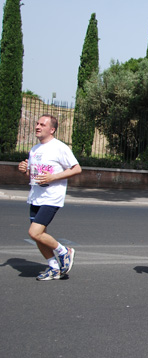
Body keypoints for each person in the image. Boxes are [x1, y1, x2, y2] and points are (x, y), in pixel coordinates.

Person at [17, 114, 82, 281]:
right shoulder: (34, 150)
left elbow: (76, 169)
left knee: (34, 232)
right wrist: (25, 170)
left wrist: (53, 177)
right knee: (40, 236)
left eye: (42, 124)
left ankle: (63, 251)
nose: (38, 126)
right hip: (35, 197)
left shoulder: (59, 147)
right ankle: (53, 267)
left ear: (52, 129)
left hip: (51, 197)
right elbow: (33, 177)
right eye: (37, 123)